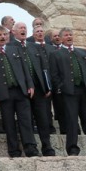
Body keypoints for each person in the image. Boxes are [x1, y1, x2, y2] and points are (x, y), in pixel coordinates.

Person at [48, 28, 86, 156]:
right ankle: (73, 148)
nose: (69, 37)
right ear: (61, 38)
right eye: (66, 35)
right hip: (69, 92)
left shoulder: (83, 52)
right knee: (71, 120)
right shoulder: (55, 54)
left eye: (71, 35)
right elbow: (54, 74)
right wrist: (61, 87)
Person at [0, 25, 39, 158]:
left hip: (20, 91)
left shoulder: (15, 49)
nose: (3, 37)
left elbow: (25, 68)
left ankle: (30, 148)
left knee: (25, 120)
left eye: (5, 34)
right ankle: (14, 150)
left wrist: (30, 85)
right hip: (4, 93)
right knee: (8, 123)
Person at [9, 22, 55, 156]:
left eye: (25, 28)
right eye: (20, 28)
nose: (23, 30)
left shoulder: (34, 47)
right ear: (14, 32)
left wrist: (47, 86)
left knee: (43, 119)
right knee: (26, 120)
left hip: (39, 89)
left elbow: (44, 67)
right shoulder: (10, 47)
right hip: (22, 90)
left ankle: (47, 146)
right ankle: (30, 148)